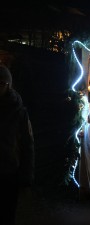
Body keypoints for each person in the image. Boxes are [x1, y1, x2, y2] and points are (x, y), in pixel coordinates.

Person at [0, 65, 35, 225]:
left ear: (7, 85)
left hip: (8, 173)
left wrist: (26, 177)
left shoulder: (19, 111)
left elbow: (27, 145)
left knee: (7, 214)